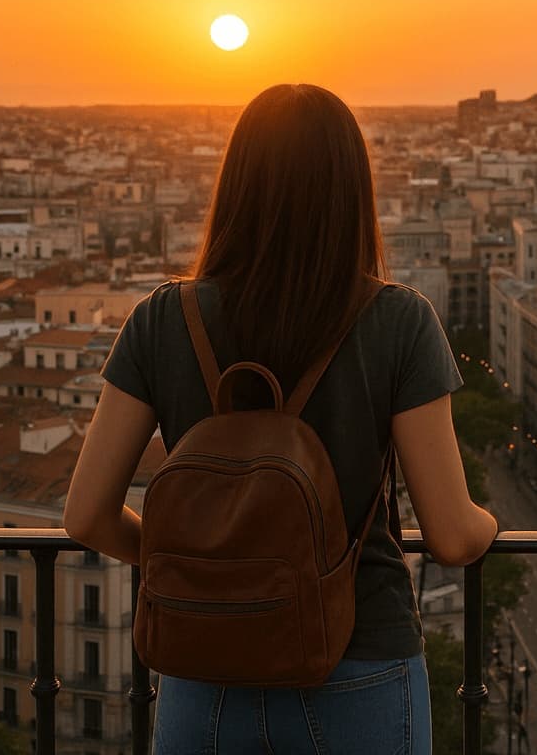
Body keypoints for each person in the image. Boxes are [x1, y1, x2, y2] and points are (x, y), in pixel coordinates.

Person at [64, 83, 499, 754]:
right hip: (359, 660)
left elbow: (87, 514)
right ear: (354, 194)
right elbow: (450, 534)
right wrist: (489, 523)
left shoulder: (163, 318)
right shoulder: (398, 322)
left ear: (235, 186)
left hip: (205, 665)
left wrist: (206, 566)